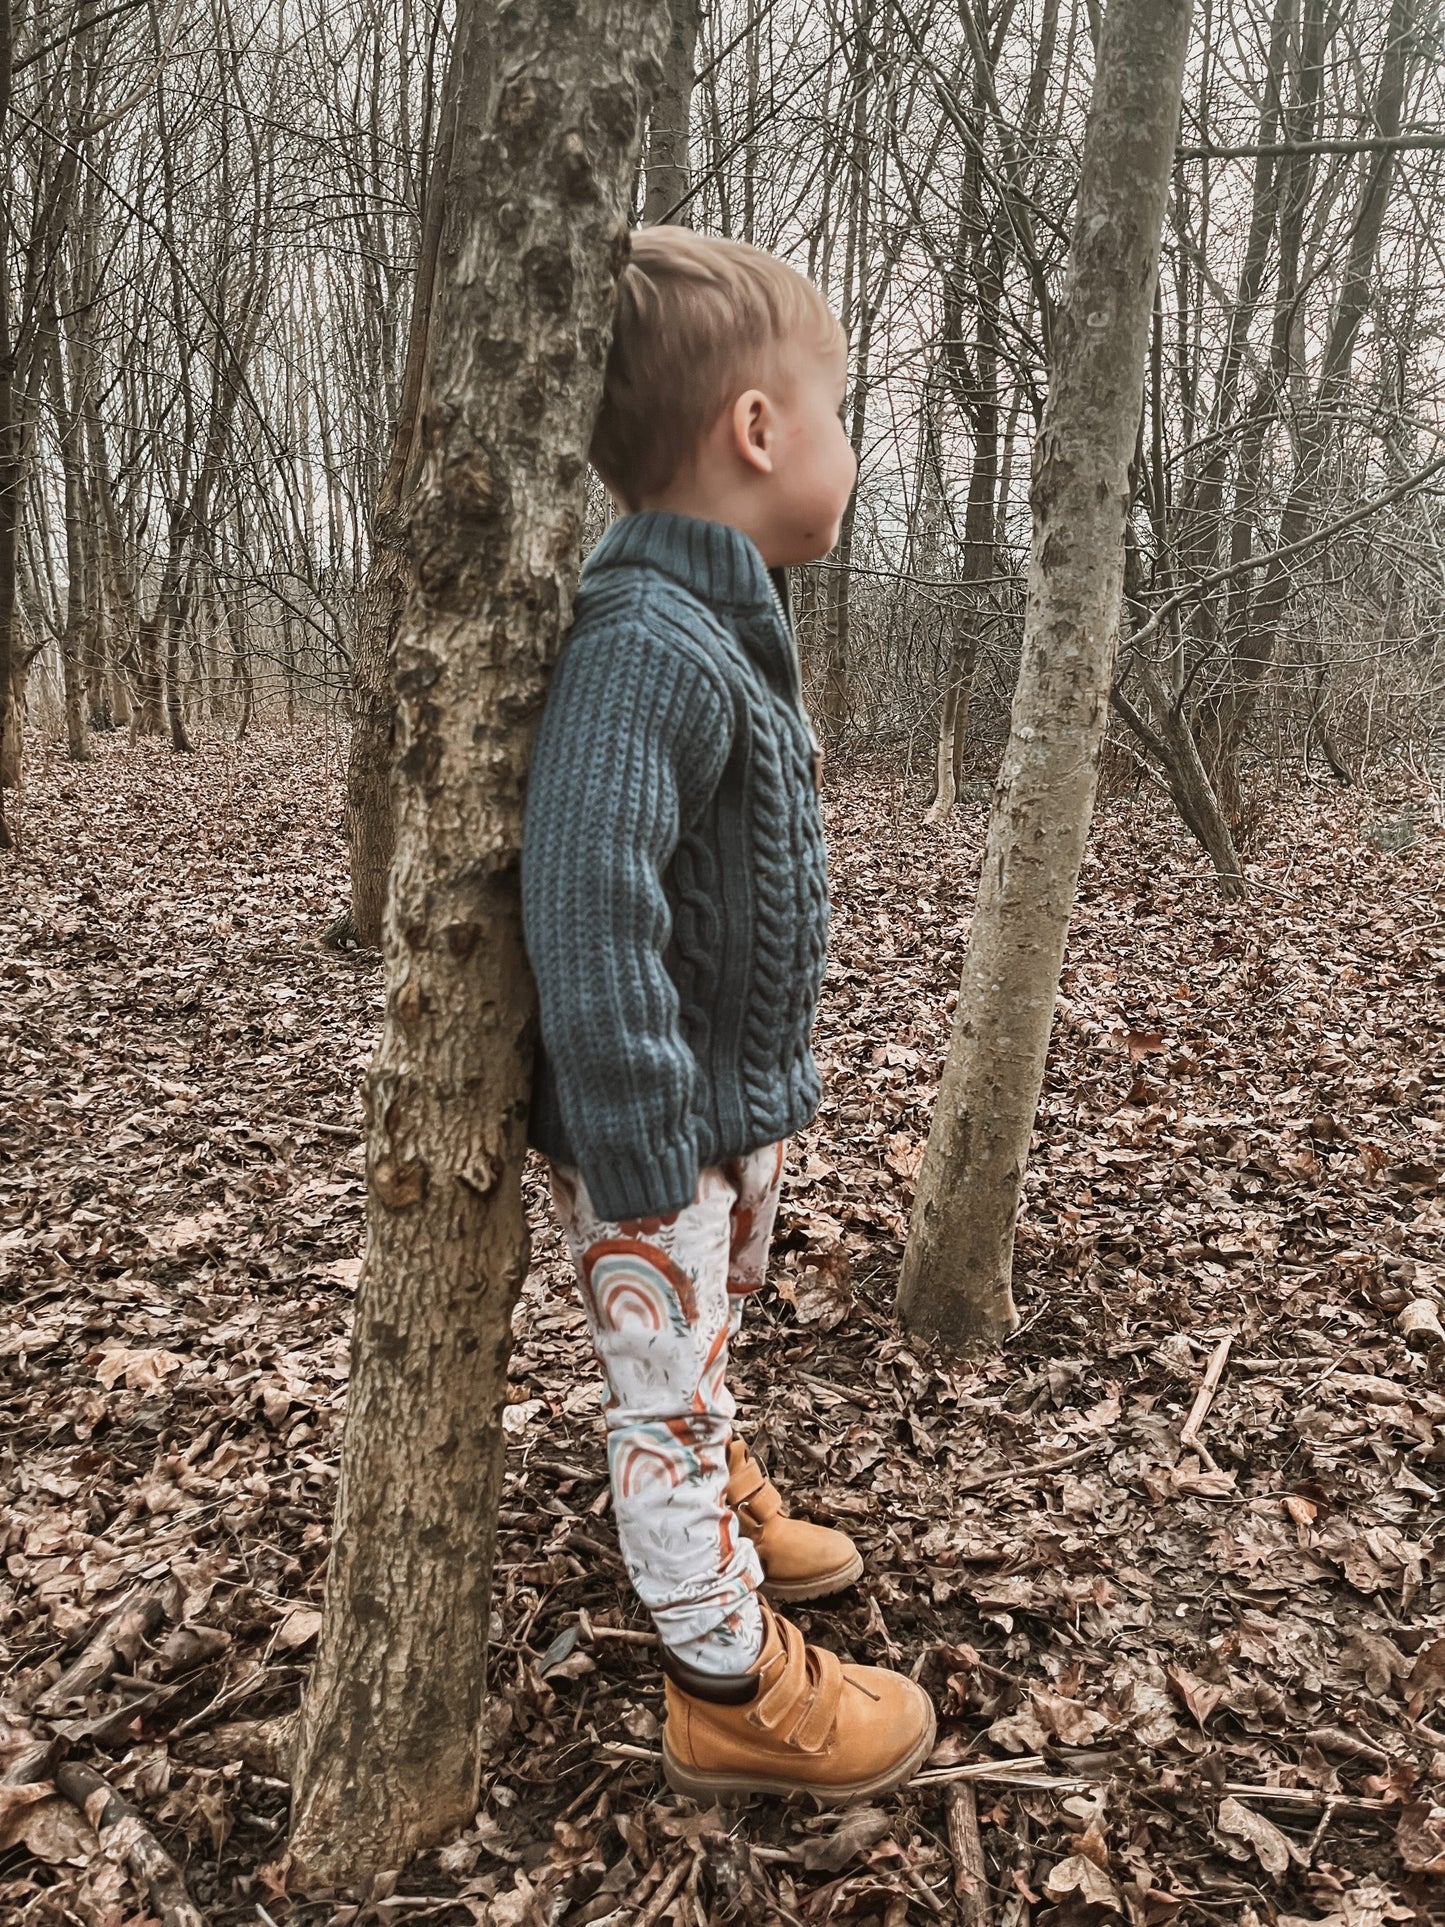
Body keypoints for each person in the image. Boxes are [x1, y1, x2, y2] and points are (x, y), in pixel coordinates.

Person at [521, 225, 934, 1803]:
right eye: (835, 408)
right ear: (757, 431)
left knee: (693, 1358)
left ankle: (719, 1475)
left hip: (713, 1115)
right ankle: (729, 1688)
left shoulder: (719, 628)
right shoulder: (646, 647)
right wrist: (641, 1147)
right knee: (663, 1397)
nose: (846, 444)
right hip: (654, 1135)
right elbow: (587, 894)